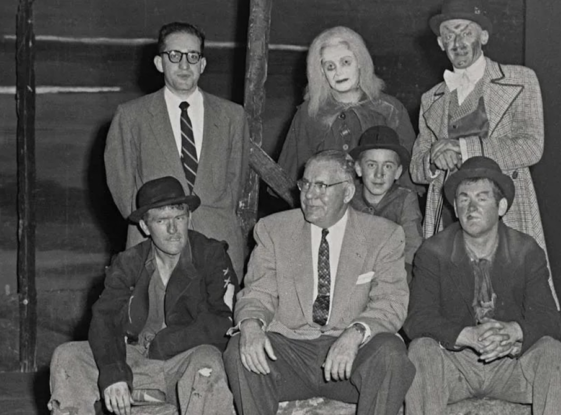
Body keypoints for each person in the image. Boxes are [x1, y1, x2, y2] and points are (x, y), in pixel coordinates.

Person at [224, 150, 414, 415]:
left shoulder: (383, 235)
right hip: (289, 354)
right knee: (239, 349)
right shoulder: (273, 229)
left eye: (322, 186)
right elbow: (258, 293)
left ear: (347, 193)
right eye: (306, 184)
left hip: (349, 358)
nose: (309, 195)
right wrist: (252, 326)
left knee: (391, 352)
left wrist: (355, 333)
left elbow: (391, 302)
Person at [403, 157, 561, 415]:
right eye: (463, 198)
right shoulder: (433, 252)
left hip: (510, 366)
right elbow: (417, 319)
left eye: (482, 198)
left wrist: (513, 331)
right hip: (456, 367)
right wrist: (467, 336)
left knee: (553, 353)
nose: (471, 207)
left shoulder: (525, 250)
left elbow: (549, 319)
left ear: (501, 206)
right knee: (420, 350)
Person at [409, 0, 558, 305]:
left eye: (466, 32)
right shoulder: (430, 99)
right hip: (450, 217)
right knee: (452, 305)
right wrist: (434, 159)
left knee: (515, 303)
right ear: (440, 43)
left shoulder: (520, 80)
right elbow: (416, 169)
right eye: (449, 35)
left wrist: (464, 149)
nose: (458, 42)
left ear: (485, 36)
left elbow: (531, 146)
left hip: (508, 212)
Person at [48, 176, 239, 415]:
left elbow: (223, 321)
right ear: (145, 227)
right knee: (68, 356)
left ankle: (154, 395)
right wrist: (114, 373)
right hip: (134, 360)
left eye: (179, 218)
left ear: (189, 218)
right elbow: (106, 318)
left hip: (184, 363)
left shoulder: (211, 255)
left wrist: (164, 343)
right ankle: (145, 394)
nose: (173, 229)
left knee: (207, 360)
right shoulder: (128, 263)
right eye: (162, 221)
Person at [105, 21, 249, 279]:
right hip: (153, 251)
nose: (184, 65)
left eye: (193, 56)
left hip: (218, 247)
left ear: (202, 65)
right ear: (160, 63)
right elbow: (122, 185)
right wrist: (154, 227)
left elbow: (234, 183)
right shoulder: (131, 116)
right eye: (175, 55)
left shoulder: (232, 116)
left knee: (217, 318)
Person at [277, 26, 417, 192]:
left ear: (359, 62)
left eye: (345, 62)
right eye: (330, 66)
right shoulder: (309, 114)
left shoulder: (391, 110)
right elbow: (290, 181)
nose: (338, 72)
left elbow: (409, 181)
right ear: (321, 72)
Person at [349, 125, 423, 284]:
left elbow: (413, 248)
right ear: (358, 169)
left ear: (397, 172)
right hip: (352, 275)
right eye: (371, 165)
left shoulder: (405, 199)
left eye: (388, 166)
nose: (379, 174)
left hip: (393, 276)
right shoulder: (349, 196)